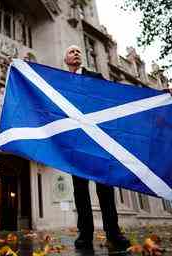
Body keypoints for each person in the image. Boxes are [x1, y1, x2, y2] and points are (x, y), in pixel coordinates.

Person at [64, 45, 131, 250]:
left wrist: (153, 95)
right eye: (71, 51)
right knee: (80, 191)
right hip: (76, 143)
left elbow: (116, 95)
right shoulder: (59, 83)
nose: (76, 53)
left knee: (105, 188)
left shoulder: (95, 76)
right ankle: (85, 235)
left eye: (78, 51)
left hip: (98, 140)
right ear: (65, 59)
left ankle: (113, 233)